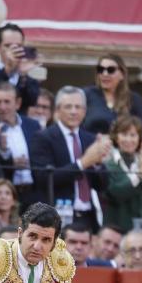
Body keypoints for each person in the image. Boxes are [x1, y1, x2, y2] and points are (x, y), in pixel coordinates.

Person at [30, 85, 112, 231]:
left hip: (89, 215)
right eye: (68, 107)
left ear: (84, 111)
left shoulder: (90, 139)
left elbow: (103, 185)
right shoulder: (43, 137)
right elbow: (43, 178)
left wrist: (98, 164)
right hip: (58, 215)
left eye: (78, 107)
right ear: (57, 110)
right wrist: (83, 163)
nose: (73, 111)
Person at [102, 115, 142, 233]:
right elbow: (117, 192)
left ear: (139, 138)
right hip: (116, 226)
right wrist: (140, 175)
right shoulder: (109, 163)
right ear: (116, 137)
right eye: (124, 134)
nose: (128, 140)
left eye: (133, 135)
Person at [0, 81, 40, 202]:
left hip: (34, 191)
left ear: (17, 103)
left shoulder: (33, 125)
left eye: (7, 102)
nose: (2, 107)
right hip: (5, 195)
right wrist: (12, 162)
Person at [0, 23, 40, 112]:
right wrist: (8, 68)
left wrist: (23, 76)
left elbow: (31, 101)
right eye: (8, 46)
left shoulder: (29, 81)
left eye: (18, 46)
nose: (14, 50)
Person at [81, 53, 142, 136]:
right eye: (100, 69)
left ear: (122, 75)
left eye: (111, 70)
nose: (105, 74)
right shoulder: (86, 94)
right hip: (91, 143)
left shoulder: (134, 99)